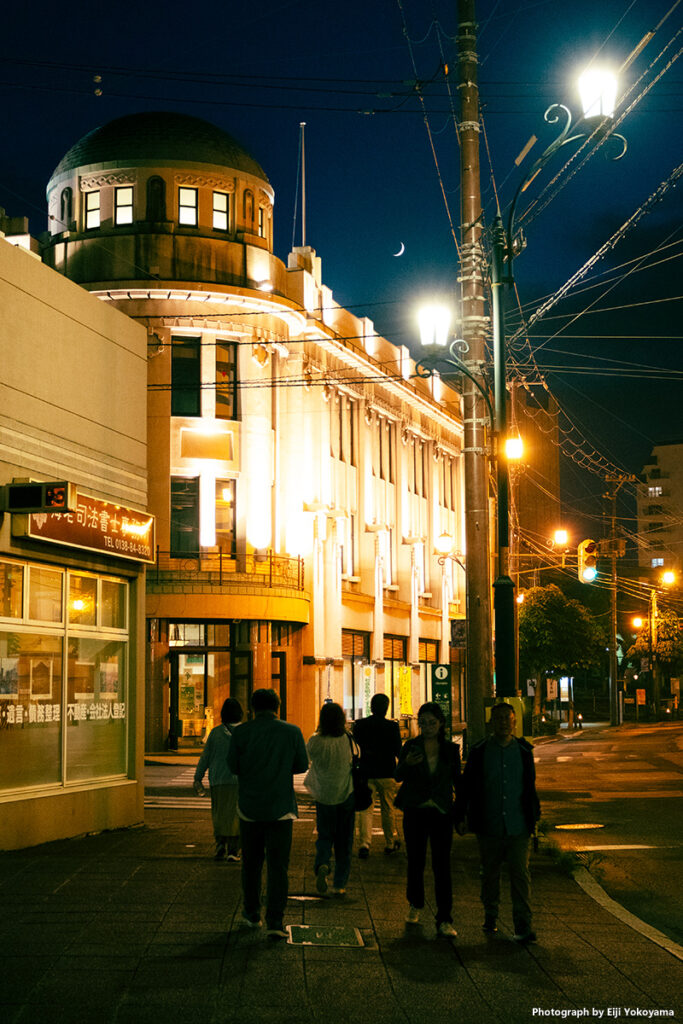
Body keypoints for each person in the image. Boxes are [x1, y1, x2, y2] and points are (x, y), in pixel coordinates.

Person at [226, 688, 308, 940]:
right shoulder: (292, 732)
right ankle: (275, 920)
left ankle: (251, 914)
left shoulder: (241, 732)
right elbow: (302, 765)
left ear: (252, 707)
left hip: (249, 808)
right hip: (280, 809)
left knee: (251, 865)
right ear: (278, 706)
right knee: (278, 867)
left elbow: (232, 766)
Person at [460, 702, 541, 944]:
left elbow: (530, 788)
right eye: (499, 719)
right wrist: (463, 815)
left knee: (520, 873)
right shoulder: (480, 751)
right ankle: (491, 915)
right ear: (491, 723)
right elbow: (469, 787)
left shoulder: (524, 752)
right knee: (490, 873)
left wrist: (533, 818)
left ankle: (523, 924)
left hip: (518, 824)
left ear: (515, 722)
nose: (504, 722)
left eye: (508, 718)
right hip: (489, 823)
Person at [394, 702, 461, 938]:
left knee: (442, 865)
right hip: (416, 810)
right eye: (423, 722)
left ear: (440, 723)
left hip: (441, 811)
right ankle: (415, 903)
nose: (428, 727)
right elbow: (398, 776)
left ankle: (445, 917)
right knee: (415, 860)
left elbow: (457, 782)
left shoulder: (451, 750)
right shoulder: (411, 746)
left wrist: (460, 813)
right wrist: (407, 764)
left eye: (432, 722)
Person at [304, 702, 357, 896]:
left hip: (323, 795)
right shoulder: (347, 740)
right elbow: (355, 759)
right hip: (345, 793)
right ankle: (340, 884)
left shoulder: (315, 741)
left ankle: (323, 864)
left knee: (325, 835)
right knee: (344, 839)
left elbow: (306, 759)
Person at [352, 693, 402, 858]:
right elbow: (398, 750)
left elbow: (355, 750)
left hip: (366, 772)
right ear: (386, 708)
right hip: (387, 772)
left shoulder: (360, 725)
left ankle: (365, 844)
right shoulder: (392, 727)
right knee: (388, 808)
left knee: (366, 809)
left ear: (371, 707)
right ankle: (389, 842)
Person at [194, 697, 243, 862]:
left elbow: (205, 757)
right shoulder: (245, 732)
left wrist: (198, 777)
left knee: (219, 814)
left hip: (218, 780)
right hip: (240, 781)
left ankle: (220, 844)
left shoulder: (215, 733)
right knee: (237, 815)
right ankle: (234, 849)